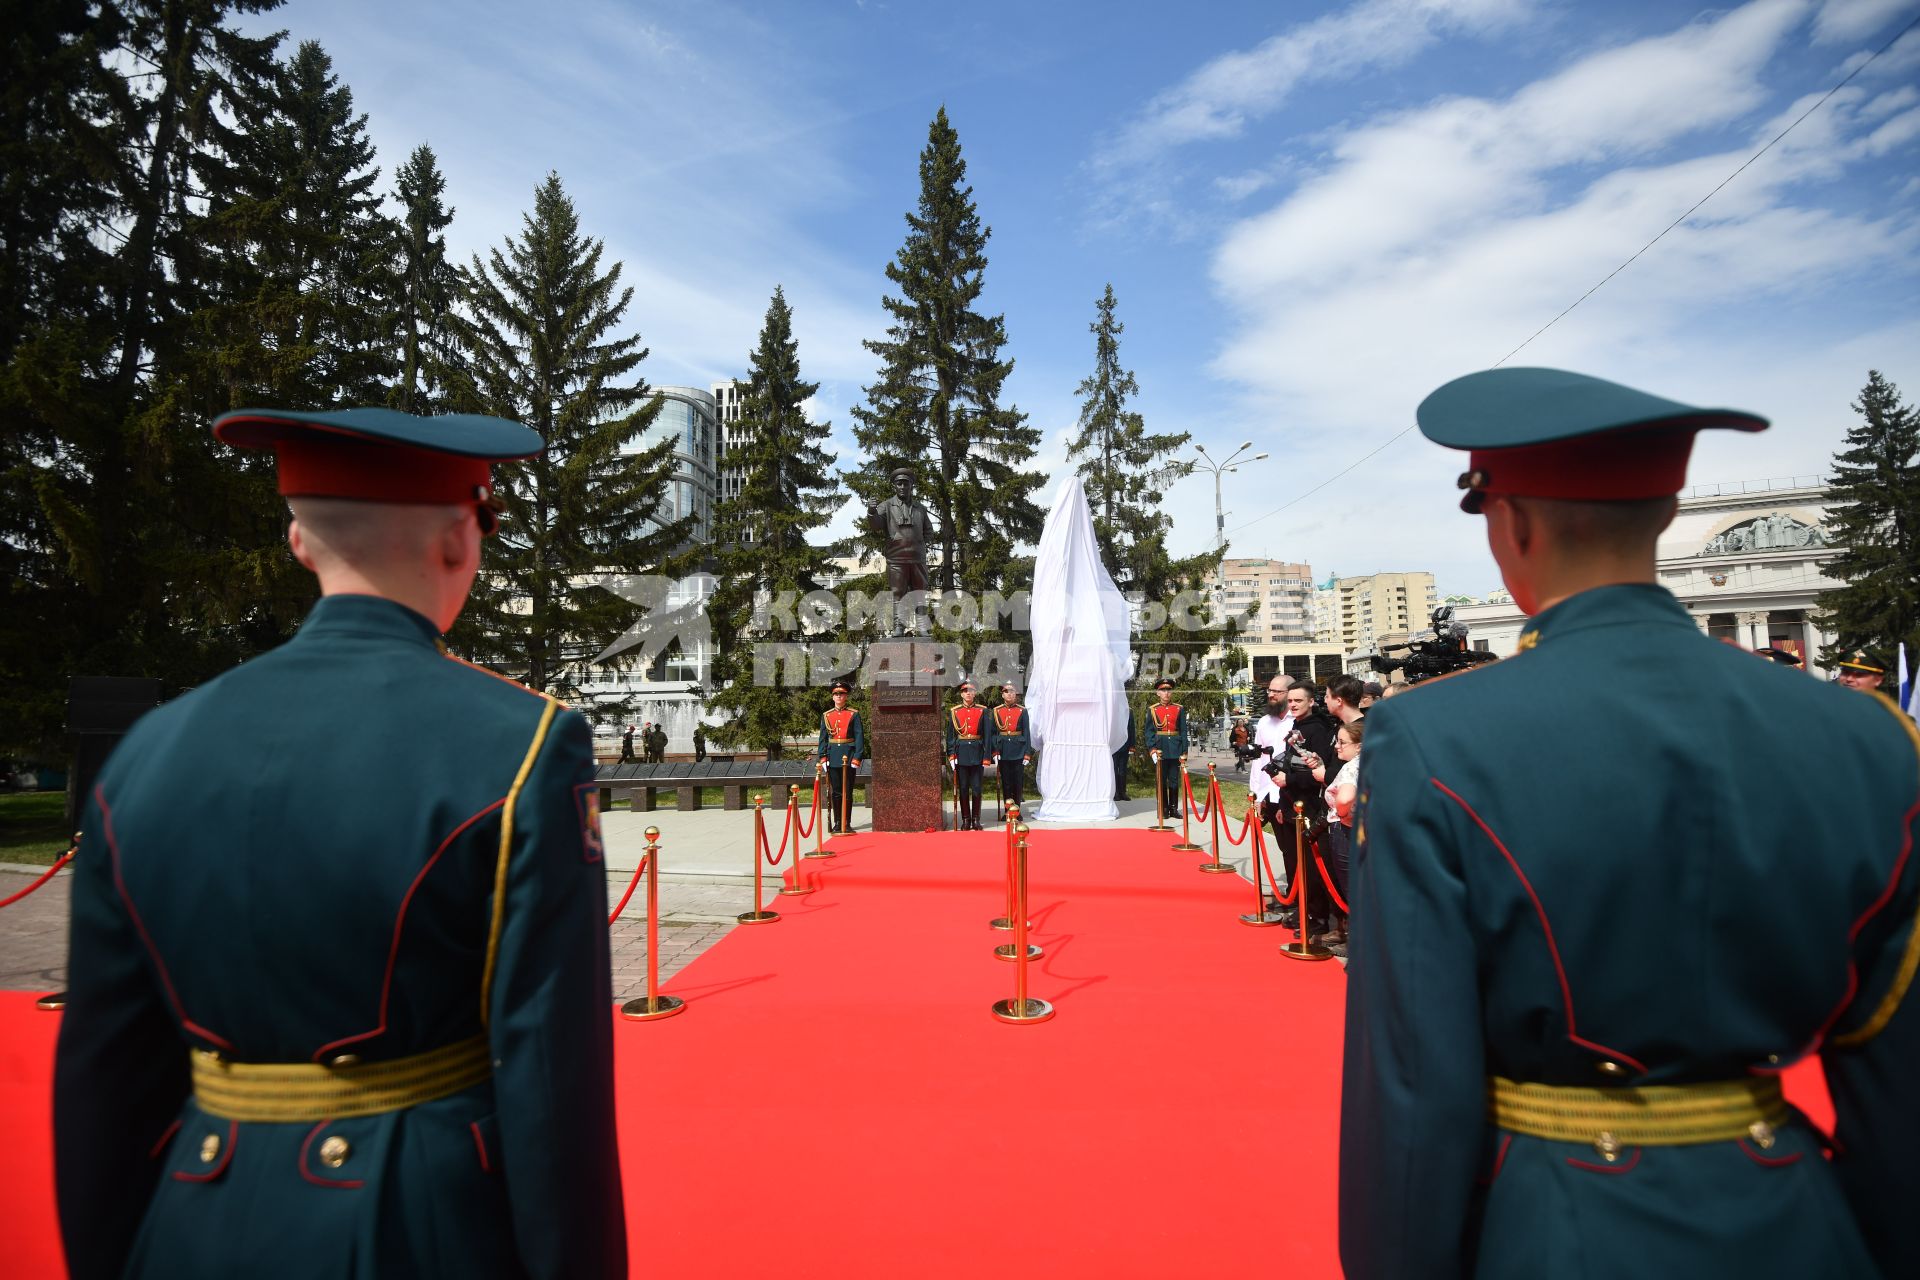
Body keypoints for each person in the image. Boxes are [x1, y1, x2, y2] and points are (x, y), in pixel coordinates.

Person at [1340, 367, 1919, 1279]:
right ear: (1663, 511)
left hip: (1560, 1226)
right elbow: (1902, 1085)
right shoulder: (1871, 736)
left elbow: (1416, 1089)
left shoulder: (1435, 734)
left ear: (1512, 521)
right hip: (1802, 1222)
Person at [54, 406, 627, 1279]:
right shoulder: (522, 744)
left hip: (188, 1224)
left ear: (299, 542)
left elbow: (103, 1082)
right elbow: (551, 1080)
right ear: (458, 542)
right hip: (419, 1227)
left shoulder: (150, 750)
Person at [1305, 719, 1362, 956]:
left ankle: (1359, 947)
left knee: (1352, 890)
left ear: (1359, 745)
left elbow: (1345, 798)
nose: (1337, 747)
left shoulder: (1351, 768)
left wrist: (1340, 812)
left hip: (1345, 829)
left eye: (1342, 742)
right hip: (1362, 829)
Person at [814, 680, 864, 834]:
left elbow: (859, 736)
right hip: (832, 757)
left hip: (849, 757)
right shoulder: (826, 715)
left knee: (847, 791)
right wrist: (822, 757)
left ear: (846, 696)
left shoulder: (853, 714)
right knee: (836, 792)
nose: (838, 696)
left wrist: (857, 757)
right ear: (832, 697)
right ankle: (837, 823)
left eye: (841, 694)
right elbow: (822, 738)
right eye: (836, 694)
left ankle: (846, 823)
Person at [1141, 678, 1189, 820]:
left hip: (1175, 748)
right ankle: (1163, 809)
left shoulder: (1179, 708)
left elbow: (1183, 731)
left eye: (1168, 690)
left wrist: (1184, 751)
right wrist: (1152, 749)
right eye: (1163, 690)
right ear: (1158, 693)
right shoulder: (1153, 710)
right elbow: (1149, 731)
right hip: (1160, 749)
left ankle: (1174, 809)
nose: (1166, 693)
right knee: (1161, 780)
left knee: (1174, 780)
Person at [946, 680, 990, 830]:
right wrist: (951, 755)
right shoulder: (955, 711)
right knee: (963, 788)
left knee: (977, 788)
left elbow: (988, 736)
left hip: (977, 753)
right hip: (961, 754)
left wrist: (986, 756)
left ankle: (976, 819)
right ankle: (965, 819)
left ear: (975, 693)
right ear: (961, 693)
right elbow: (951, 736)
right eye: (965, 691)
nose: (968, 693)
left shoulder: (982, 711)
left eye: (971, 690)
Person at [988, 683, 1032, 818]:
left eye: (1012, 692)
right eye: (1007, 692)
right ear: (1002, 695)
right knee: (1006, 783)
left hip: (1018, 750)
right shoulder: (996, 711)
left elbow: (1026, 733)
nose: (1010, 694)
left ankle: (1016, 812)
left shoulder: (1022, 711)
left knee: (1017, 783)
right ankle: (1008, 811)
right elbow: (993, 734)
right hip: (1003, 752)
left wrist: (1027, 754)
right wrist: (994, 751)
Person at [1113, 707, 1136, 802]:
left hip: (1125, 744)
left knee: (1123, 769)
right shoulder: (1111, 709)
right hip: (1113, 745)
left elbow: (1131, 728)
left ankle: (1123, 792)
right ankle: (1115, 792)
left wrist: (1132, 744)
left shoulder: (1128, 710)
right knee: (1114, 769)